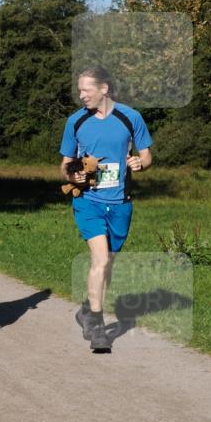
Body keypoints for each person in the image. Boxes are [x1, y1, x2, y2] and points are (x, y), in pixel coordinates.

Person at [59, 66, 153, 353]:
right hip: (89, 202)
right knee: (100, 259)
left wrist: (140, 163)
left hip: (120, 203)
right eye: (79, 90)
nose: (81, 95)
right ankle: (98, 326)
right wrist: (72, 174)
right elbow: (65, 164)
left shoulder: (130, 117)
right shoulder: (76, 121)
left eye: (86, 89)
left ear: (104, 89)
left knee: (107, 263)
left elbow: (147, 155)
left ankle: (88, 309)